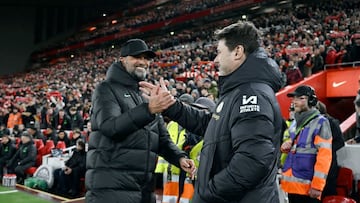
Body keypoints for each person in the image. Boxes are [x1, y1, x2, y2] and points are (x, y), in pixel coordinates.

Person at [140, 21, 283, 203]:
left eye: (219, 52)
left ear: (238, 52)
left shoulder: (251, 94)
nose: (215, 60)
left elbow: (253, 161)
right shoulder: (239, 91)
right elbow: (211, 126)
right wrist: (172, 107)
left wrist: (208, 193)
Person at [85, 38, 196, 203]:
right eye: (137, 57)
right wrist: (149, 110)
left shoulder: (145, 94)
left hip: (143, 188)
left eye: (146, 58)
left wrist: (179, 158)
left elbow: (162, 140)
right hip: (111, 187)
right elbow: (110, 127)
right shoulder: (106, 89)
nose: (143, 62)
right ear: (122, 59)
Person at [280, 85, 332, 203]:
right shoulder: (295, 123)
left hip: (308, 190)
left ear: (311, 101)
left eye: (300, 98)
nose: (295, 102)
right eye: (294, 99)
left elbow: (325, 157)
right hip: (292, 187)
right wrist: (286, 145)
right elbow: (297, 145)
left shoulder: (321, 123)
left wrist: (317, 186)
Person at [316, 101, 345, 198]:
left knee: (328, 193)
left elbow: (340, 142)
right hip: (315, 166)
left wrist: (324, 149)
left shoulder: (332, 122)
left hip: (329, 165)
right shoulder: (311, 123)